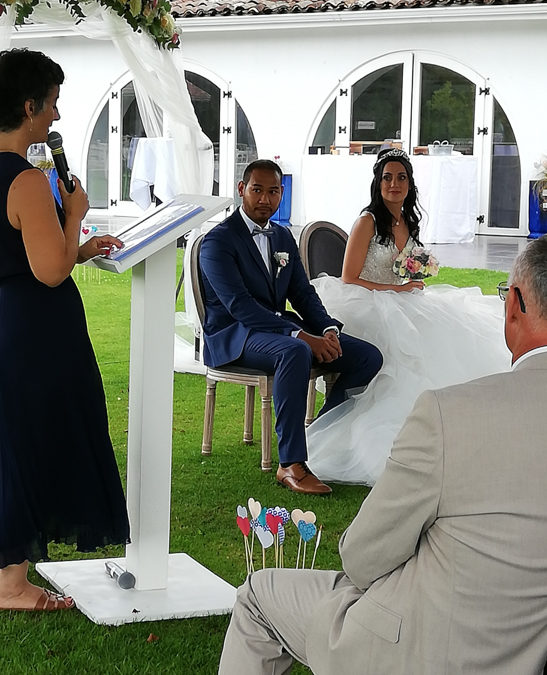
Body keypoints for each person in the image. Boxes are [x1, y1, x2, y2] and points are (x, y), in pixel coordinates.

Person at [219, 234, 547, 675]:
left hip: (422, 648)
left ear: (514, 307)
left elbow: (362, 555)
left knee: (258, 596)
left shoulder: (448, 414)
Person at [0, 49, 130, 612]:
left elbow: (24, 256)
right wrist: (77, 213)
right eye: (53, 104)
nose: (56, 116)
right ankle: (13, 585)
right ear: (30, 106)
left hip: (6, 316)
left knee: (10, 436)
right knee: (33, 437)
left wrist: (77, 249)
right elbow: (49, 271)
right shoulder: (28, 181)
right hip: (37, 327)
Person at [305, 148, 510, 485]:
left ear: (410, 184)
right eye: (388, 177)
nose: (394, 184)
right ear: (378, 183)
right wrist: (397, 291)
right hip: (363, 303)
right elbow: (349, 278)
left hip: (397, 299)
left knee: (446, 332)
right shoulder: (367, 222)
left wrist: (411, 278)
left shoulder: (407, 221)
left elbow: (401, 271)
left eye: (401, 177)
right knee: (402, 351)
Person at [199, 159, 382, 495]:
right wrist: (300, 335)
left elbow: (302, 293)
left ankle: (324, 433)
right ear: (242, 190)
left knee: (367, 357)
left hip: (275, 332)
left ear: (282, 193)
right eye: (257, 190)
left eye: (273, 191)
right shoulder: (218, 241)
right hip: (235, 335)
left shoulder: (282, 236)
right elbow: (239, 306)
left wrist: (327, 329)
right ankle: (291, 464)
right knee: (295, 351)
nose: (265, 199)